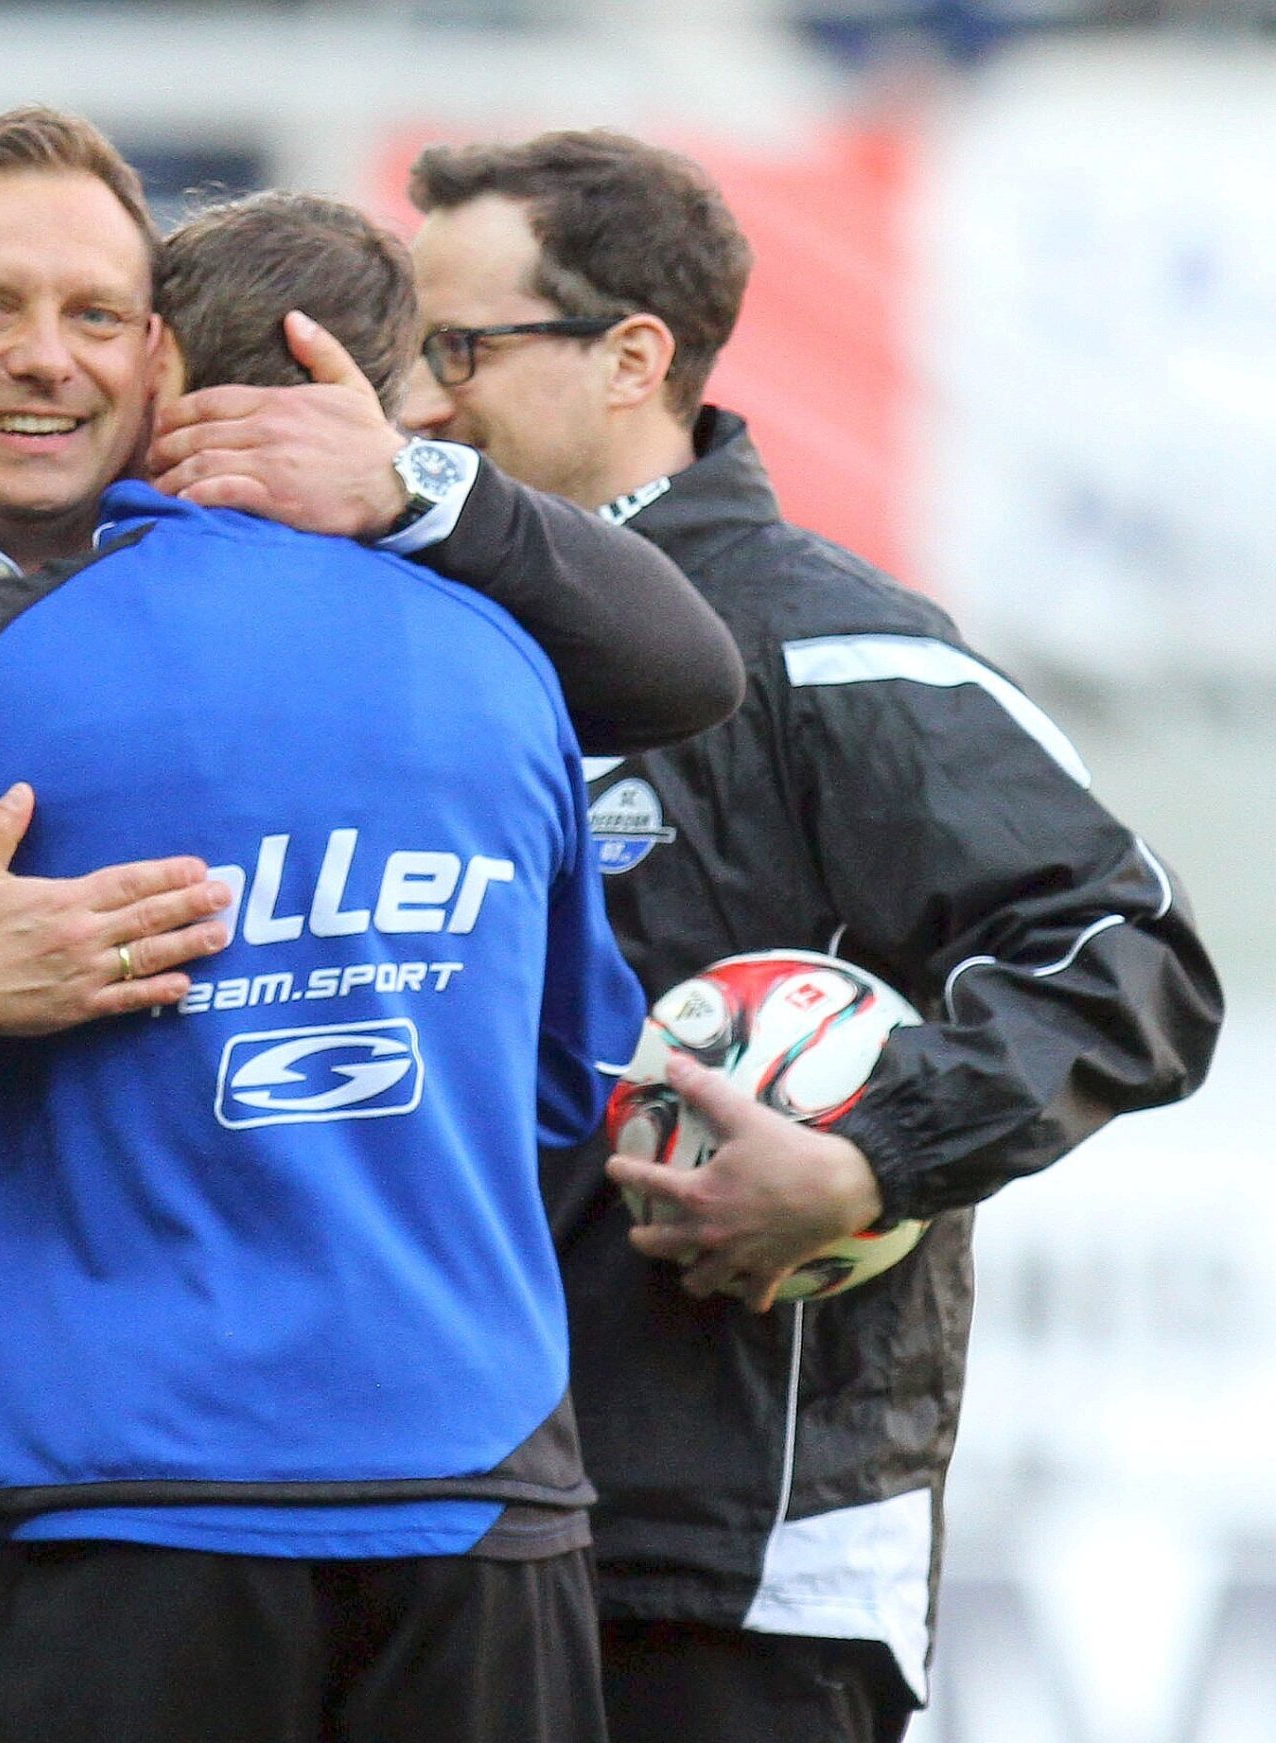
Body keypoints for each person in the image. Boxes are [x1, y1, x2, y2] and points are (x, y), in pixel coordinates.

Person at [0, 106, 744, 1743]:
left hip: (144, 1497)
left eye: (97, 317)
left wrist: (412, 484)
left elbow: (687, 669)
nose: (46, 361)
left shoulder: (361, 610)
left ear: (168, 361)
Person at [159, 129, 1222, 1743]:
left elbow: (1132, 949)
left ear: (633, 357)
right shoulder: (403, 638)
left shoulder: (829, 641)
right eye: (404, 360)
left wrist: (868, 1157)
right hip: (428, 1524)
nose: (421, 406)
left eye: (460, 351)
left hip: (740, 1559)